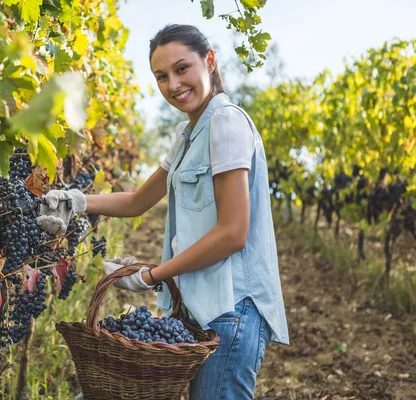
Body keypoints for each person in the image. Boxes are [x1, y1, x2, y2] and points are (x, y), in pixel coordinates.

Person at [36, 24, 289, 400]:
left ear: (210, 61)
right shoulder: (189, 135)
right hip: (200, 307)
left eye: (182, 68)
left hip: (232, 308)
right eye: (161, 76)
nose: (173, 84)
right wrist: (77, 200)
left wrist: (151, 276)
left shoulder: (226, 122)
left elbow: (233, 232)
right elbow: (139, 199)